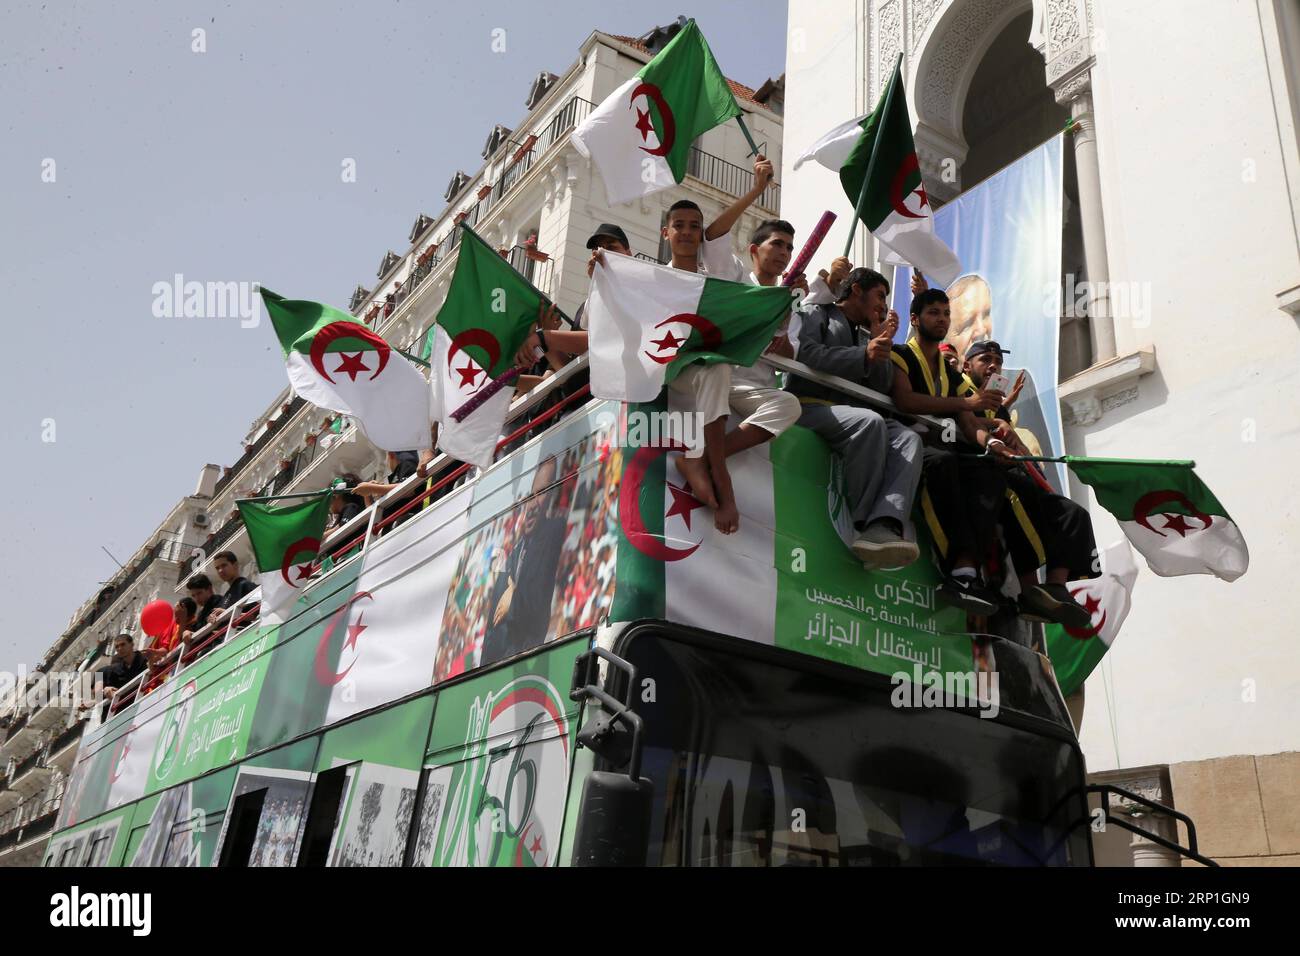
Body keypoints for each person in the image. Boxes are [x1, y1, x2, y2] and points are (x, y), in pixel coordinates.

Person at [790, 267, 923, 568]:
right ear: (856, 291)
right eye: (879, 296)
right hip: (811, 406)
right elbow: (806, 354)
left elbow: (878, 386)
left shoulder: (868, 332)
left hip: (853, 412)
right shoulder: (816, 311)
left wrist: (880, 347)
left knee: (908, 438)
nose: (883, 305)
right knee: (869, 422)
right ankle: (863, 525)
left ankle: (885, 522)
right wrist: (863, 356)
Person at [889, 288, 1012, 615]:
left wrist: (994, 443)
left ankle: (967, 574)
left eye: (946, 313)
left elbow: (970, 422)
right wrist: (966, 403)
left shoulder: (951, 375)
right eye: (933, 313)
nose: (942, 319)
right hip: (910, 444)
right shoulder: (900, 354)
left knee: (989, 474)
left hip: (946, 447)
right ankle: (957, 569)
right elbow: (906, 401)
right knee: (943, 464)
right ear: (915, 319)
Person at [959, 341, 1096, 627]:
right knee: (1016, 504)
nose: (993, 365)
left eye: (997, 360)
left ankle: (1056, 586)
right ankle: (1030, 589)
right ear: (966, 365)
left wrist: (1013, 438)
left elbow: (1018, 448)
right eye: (985, 359)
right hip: (982, 472)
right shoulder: (960, 391)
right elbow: (964, 426)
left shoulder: (999, 405)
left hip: (1016, 473)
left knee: (1074, 513)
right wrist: (995, 428)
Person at [696, 165, 805, 461]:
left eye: (789, 248)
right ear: (755, 250)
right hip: (723, 378)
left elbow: (789, 356)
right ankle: (712, 461)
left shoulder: (791, 302)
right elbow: (713, 235)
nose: (784, 252)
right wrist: (756, 190)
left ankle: (710, 459)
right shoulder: (737, 277)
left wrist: (785, 335)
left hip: (758, 392)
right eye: (777, 244)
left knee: (790, 405)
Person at [480, 456, 568, 667]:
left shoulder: (553, 533)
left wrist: (513, 597)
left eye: (543, 493)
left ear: (551, 498)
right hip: (494, 666)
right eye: (531, 495)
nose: (534, 504)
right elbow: (492, 615)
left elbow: (537, 605)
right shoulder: (513, 551)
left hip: (525, 663)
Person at [354, 450, 422, 532]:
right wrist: (367, 495)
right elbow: (375, 515)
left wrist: (373, 488)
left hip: (407, 524)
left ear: (391, 454)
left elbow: (408, 489)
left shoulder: (407, 464)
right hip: (395, 529)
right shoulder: (395, 476)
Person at [209, 550, 257, 625]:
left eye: (224, 565)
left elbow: (255, 615)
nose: (220, 570)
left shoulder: (245, 585)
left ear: (235, 565)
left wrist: (226, 613)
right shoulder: (226, 596)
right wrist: (211, 618)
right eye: (217, 568)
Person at [98, 634, 147, 700]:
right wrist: (105, 690)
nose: (120, 648)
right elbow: (106, 693)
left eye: (123, 644)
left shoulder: (145, 659)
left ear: (132, 644)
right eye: (117, 647)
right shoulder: (116, 670)